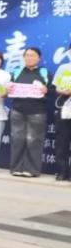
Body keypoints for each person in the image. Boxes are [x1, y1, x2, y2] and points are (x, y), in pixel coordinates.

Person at [7, 47, 49, 177]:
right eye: (27, 55)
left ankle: (32, 170)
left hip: (37, 111)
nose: (30, 58)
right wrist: (9, 89)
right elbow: (9, 87)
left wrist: (45, 90)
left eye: (33, 55)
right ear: (23, 57)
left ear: (39, 58)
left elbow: (52, 89)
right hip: (17, 110)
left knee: (34, 140)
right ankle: (16, 168)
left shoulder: (44, 72)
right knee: (16, 139)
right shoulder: (17, 72)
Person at [52, 51, 71, 181]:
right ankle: (62, 171)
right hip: (64, 106)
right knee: (62, 140)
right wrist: (63, 91)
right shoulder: (63, 68)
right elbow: (56, 87)